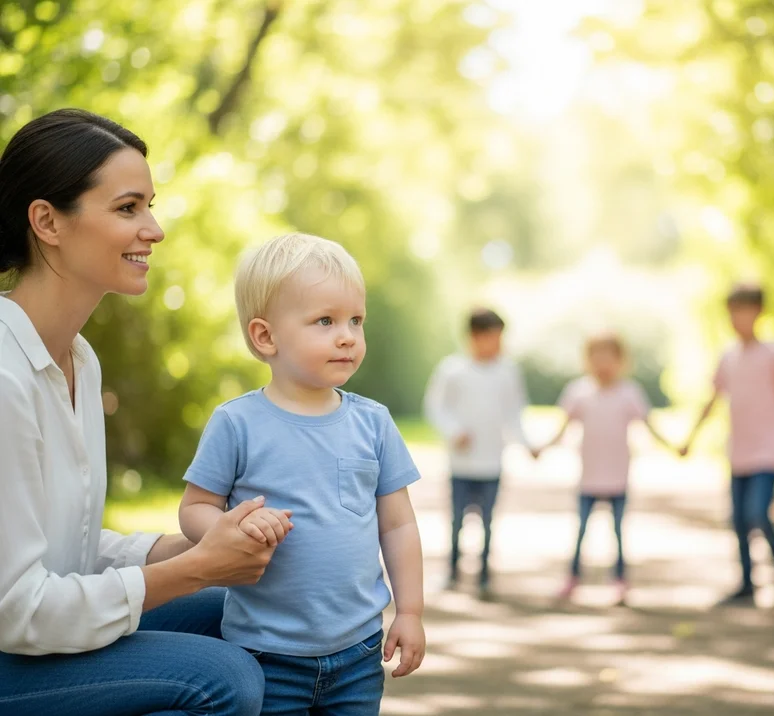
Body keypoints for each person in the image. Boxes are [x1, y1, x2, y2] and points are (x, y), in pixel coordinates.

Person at [0, 108, 279, 715]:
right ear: (46, 220)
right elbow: (17, 609)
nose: (153, 229)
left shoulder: (80, 359)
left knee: (252, 613)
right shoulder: (3, 377)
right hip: (8, 648)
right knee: (225, 677)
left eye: (150, 205)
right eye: (128, 208)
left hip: (30, 635)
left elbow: (64, 550)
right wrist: (199, 569)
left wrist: (196, 545)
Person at [178, 233, 425, 715]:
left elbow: (398, 524)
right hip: (264, 652)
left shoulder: (372, 422)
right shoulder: (237, 424)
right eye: (325, 321)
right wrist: (231, 527)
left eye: (356, 320)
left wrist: (410, 611)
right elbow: (194, 508)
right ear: (265, 336)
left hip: (357, 651)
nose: (348, 335)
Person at [680, 283, 774, 604]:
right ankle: (748, 582)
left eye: (744, 311)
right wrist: (690, 438)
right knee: (738, 519)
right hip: (739, 451)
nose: (738, 319)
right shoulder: (729, 357)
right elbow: (713, 399)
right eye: (733, 312)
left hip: (769, 449)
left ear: (759, 312)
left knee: (758, 513)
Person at [539, 332, 674, 605]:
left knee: (618, 532)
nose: (603, 364)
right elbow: (563, 426)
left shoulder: (629, 392)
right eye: (596, 357)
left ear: (621, 361)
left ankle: (620, 580)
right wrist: (542, 448)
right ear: (587, 361)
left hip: (617, 477)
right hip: (589, 477)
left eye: (609, 358)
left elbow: (648, 424)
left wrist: (674, 447)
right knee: (581, 530)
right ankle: (573, 577)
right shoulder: (579, 392)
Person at [423, 308, 535, 599]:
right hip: (461, 463)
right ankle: (452, 571)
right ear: (474, 336)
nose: (497, 343)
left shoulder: (507, 372)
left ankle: (484, 573)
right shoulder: (453, 369)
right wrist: (453, 431)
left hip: (492, 460)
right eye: (492, 336)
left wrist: (526, 444)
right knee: (457, 521)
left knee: (488, 521)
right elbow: (436, 406)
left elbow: (514, 412)